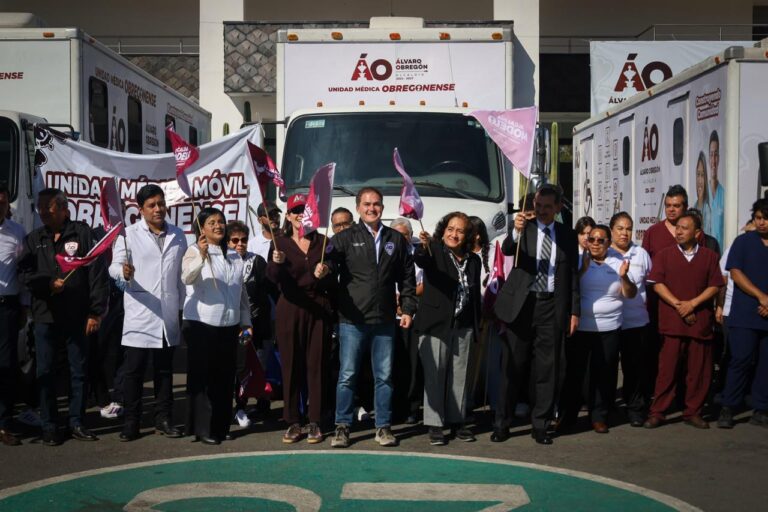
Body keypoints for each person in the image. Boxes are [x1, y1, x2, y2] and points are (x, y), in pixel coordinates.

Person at [19, 188, 108, 445]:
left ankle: (76, 422)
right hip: (45, 316)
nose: (43, 212)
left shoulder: (82, 234)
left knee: (77, 371)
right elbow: (24, 273)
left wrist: (95, 311)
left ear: (62, 208)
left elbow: (97, 273)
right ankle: (49, 425)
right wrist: (47, 284)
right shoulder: (34, 239)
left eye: (48, 207)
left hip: (77, 316)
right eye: (40, 207)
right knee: (45, 371)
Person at [492, 184, 580, 445]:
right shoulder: (524, 229)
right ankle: (502, 423)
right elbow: (508, 249)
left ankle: (540, 424)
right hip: (523, 304)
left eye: (546, 207)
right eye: (537, 206)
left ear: (558, 208)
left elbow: (573, 276)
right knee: (512, 366)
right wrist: (517, 231)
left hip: (552, 305)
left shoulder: (567, 235)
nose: (541, 211)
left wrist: (574, 310)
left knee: (547, 368)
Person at [329, 187, 417, 448]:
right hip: (352, 320)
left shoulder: (396, 239)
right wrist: (323, 268)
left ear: (382, 207)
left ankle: (383, 427)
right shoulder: (345, 237)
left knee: (384, 377)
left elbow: (408, 278)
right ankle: (342, 427)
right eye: (366, 204)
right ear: (358, 208)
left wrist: (409, 308)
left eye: (376, 204)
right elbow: (328, 263)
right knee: (347, 375)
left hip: (385, 320)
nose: (371, 208)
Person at [108, 184, 186, 441]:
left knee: (164, 371)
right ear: (140, 210)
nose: (158, 209)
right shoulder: (128, 235)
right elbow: (114, 267)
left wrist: (182, 308)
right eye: (151, 205)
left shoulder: (178, 235)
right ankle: (131, 422)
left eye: (161, 204)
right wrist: (123, 272)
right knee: (135, 372)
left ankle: (164, 418)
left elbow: (181, 277)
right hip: (140, 312)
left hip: (168, 312)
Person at [644, 211, 724, 429]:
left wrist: (693, 304)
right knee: (667, 370)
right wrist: (680, 305)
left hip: (700, 322)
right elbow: (657, 284)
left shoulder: (709, 256)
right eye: (677, 227)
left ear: (697, 233)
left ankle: (693, 412)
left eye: (684, 228)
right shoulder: (664, 255)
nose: (679, 231)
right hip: (672, 321)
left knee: (699, 371)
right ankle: (658, 412)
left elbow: (715, 285)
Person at [267, 194, 335, 444]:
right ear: (287, 215)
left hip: (318, 306)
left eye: (304, 209)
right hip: (290, 307)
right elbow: (271, 278)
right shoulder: (280, 243)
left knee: (316, 364)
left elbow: (335, 272)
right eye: (295, 210)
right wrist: (277, 263)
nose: (299, 214)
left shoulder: (323, 241)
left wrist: (326, 270)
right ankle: (293, 422)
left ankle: (316, 421)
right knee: (291, 364)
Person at [182, 207, 252, 445]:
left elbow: (240, 293)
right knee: (204, 379)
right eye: (211, 222)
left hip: (229, 325)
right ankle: (202, 429)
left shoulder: (234, 255)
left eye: (221, 221)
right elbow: (187, 278)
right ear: (202, 228)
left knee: (224, 379)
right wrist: (201, 257)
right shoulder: (193, 250)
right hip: (202, 324)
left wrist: (246, 321)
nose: (218, 226)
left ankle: (220, 427)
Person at [560, 224, 637, 434]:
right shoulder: (577, 261)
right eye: (591, 239)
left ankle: (599, 416)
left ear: (608, 242)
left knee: (603, 374)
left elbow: (630, 294)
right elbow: (569, 288)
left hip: (609, 328)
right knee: (575, 374)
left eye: (600, 240)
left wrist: (624, 277)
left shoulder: (619, 262)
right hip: (581, 327)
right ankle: (568, 417)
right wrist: (583, 269)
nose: (594, 243)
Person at [415, 212, 481, 445]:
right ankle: (435, 425)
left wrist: (476, 324)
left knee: (460, 377)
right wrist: (424, 246)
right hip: (435, 324)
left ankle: (458, 421)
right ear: (442, 232)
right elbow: (421, 259)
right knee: (435, 375)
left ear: (467, 236)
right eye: (450, 229)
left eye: (460, 231)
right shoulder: (434, 251)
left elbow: (474, 296)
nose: (454, 234)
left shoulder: (474, 260)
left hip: (463, 325)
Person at [718, 199, 768, 428]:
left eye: (765, 218)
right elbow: (736, 274)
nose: (761, 222)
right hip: (745, 314)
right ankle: (729, 406)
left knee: (765, 364)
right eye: (758, 217)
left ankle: (761, 408)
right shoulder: (743, 242)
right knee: (741, 359)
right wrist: (761, 297)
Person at [227, 220, 273, 429]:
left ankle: (263, 403)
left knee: (261, 366)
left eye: (243, 240)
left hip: (259, 325)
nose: (240, 244)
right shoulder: (223, 262)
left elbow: (272, 290)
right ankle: (240, 407)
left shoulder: (258, 261)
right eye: (234, 240)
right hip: (234, 326)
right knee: (240, 368)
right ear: (227, 242)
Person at [609, 212, 652, 426]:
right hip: (608, 323)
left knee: (634, 368)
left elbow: (650, 285)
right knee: (607, 368)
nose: (624, 233)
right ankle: (606, 409)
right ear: (611, 230)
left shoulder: (641, 253)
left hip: (636, 322)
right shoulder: (603, 254)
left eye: (628, 229)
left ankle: (635, 408)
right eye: (620, 228)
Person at [390, 217, 423, 425]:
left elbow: (424, 283)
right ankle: (391, 408)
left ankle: (411, 407)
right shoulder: (385, 252)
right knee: (389, 365)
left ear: (410, 236)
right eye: (397, 234)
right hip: (387, 315)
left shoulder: (418, 254)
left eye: (404, 234)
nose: (401, 238)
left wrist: (404, 298)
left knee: (411, 365)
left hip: (411, 316)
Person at [0, 183, 26, 446]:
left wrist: (24, 306)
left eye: (3, 202)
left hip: (6, 307)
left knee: (6, 365)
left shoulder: (17, 232)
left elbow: (23, 271)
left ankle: (4, 423)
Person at [708, 131, 725, 248]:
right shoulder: (702, 195)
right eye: (711, 155)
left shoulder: (724, 195)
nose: (713, 160)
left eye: (716, 155)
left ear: (719, 158)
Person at [694, 152, 713, 236]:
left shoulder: (707, 209)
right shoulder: (695, 205)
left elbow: (705, 236)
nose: (700, 180)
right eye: (698, 175)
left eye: (702, 175)